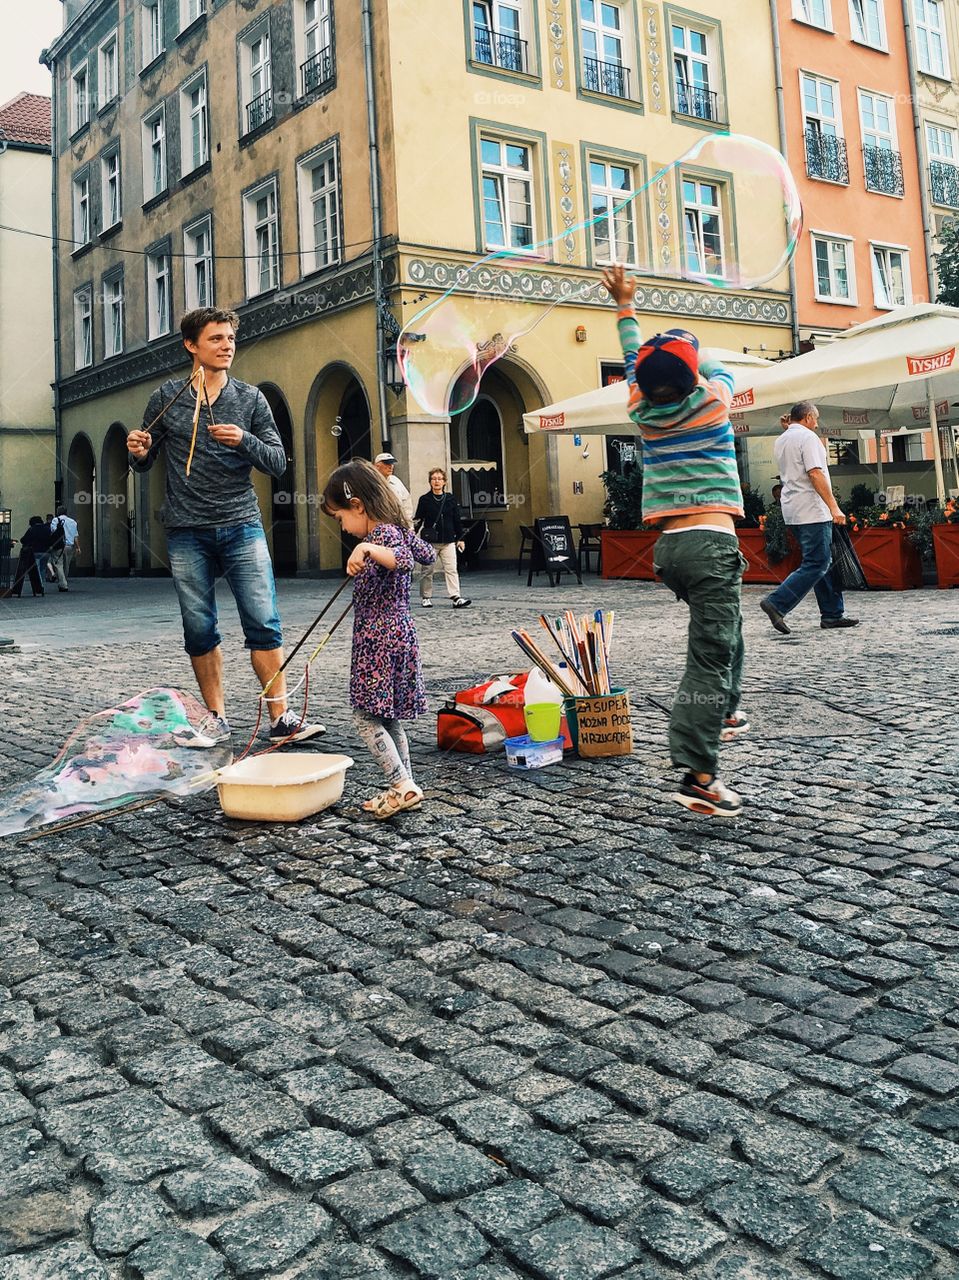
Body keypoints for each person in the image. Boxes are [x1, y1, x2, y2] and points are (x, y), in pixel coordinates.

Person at [126, 306, 324, 748]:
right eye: (216, 339)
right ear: (191, 346)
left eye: (230, 338)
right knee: (198, 628)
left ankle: (281, 717)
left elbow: (276, 462)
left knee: (264, 623)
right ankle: (215, 719)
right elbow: (143, 461)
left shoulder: (250, 399)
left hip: (241, 525)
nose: (227, 345)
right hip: (186, 531)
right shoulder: (167, 397)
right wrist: (137, 450)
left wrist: (244, 440)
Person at [603, 264, 746, 818]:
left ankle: (724, 713)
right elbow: (716, 367)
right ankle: (698, 774)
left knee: (728, 637)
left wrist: (625, 306)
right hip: (710, 546)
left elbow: (634, 360)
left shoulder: (640, 411)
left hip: (669, 551)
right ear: (693, 380)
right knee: (708, 658)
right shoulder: (712, 404)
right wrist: (693, 343)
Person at [321, 459, 434, 820]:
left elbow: (404, 560)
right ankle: (407, 786)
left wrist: (366, 550)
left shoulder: (382, 536)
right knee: (388, 717)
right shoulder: (398, 530)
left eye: (340, 518)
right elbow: (427, 553)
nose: (344, 528)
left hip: (379, 638)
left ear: (358, 506)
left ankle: (400, 784)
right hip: (398, 633)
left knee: (364, 716)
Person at [760, 402, 859, 635]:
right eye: (815, 418)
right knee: (818, 563)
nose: (817, 423)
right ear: (806, 418)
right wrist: (834, 507)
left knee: (824, 562)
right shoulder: (808, 438)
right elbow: (815, 473)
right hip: (812, 509)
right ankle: (777, 603)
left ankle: (832, 614)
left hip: (793, 510)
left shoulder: (782, 439)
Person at [413, 468, 472, 609]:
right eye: (434, 479)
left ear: (445, 482)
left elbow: (457, 520)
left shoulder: (450, 498)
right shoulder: (425, 499)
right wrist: (412, 537)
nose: (437, 481)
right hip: (430, 542)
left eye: (440, 478)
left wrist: (460, 538)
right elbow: (419, 520)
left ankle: (456, 597)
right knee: (427, 570)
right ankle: (426, 597)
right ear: (430, 482)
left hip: (448, 541)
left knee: (451, 569)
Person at [9, 517, 48, 598]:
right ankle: (42, 585)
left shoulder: (32, 529)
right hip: (46, 552)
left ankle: (40, 585)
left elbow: (23, 539)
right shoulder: (47, 528)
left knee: (36, 569)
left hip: (34, 552)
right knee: (43, 569)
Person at [373, 452, 414, 523]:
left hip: (399, 524)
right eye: (387, 463)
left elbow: (407, 502)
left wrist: (407, 522)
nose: (391, 466)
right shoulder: (371, 482)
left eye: (392, 464)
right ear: (377, 466)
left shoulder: (396, 481)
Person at [50, 507, 80, 591]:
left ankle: (63, 584)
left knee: (58, 564)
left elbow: (53, 532)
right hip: (70, 546)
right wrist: (78, 547)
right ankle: (64, 580)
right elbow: (75, 536)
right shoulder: (73, 522)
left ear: (57, 512)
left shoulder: (55, 520)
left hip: (59, 546)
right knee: (66, 565)